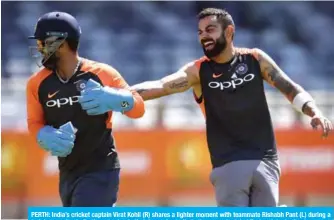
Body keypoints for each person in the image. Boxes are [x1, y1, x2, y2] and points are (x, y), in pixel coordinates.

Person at [131, 8, 333, 207]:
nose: (204, 37)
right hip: (229, 165)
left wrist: (314, 111)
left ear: (229, 31)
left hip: (266, 162)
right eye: (200, 32)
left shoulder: (255, 59)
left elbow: (289, 87)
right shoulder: (198, 71)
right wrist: (120, 95)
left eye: (210, 30)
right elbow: (161, 85)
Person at [26, 11, 145, 207]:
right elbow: (34, 122)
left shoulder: (102, 73)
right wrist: (43, 134)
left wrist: (115, 99)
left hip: (101, 169)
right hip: (67, 173)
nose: (39, 49)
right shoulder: (36, 83)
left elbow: (138, 108)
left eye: (43, 43)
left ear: (61, 43)